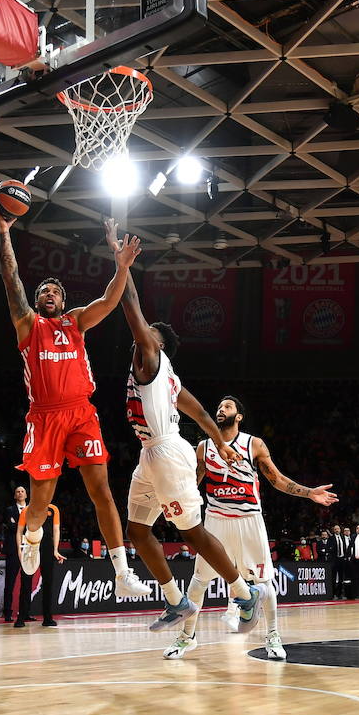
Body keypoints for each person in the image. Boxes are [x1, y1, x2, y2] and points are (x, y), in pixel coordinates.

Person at [0, 204, 151, 601]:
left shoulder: (76, 321)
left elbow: (109, 301)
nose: (49, 295)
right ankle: (32, 537)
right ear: (36, 301)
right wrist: (5, 231)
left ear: (63, 300)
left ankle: (122, 571)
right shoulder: (28, 325)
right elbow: (11, 279)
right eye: (43, 292)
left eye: (55, 292)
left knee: (102, 491)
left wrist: (121, 266)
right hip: (44, 419)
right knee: (40, 503)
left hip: (81, 414)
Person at [110, 245, 265, 633]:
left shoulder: (151, 358)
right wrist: (221, 444)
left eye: (149, 333)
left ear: (157, 344)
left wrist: (122, 265)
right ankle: (176, 601)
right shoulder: (169, 377)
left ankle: (245, 593)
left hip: (168, 453)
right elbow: (200, 413)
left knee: (192, 531)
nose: (142, 335)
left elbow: (131, 307)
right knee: (137, 530)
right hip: (151, 454)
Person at [164, 396, 336, 661]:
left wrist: (309, 492)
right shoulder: (204, 447)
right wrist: (170, 498)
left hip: (249, 519)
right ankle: (187, 637)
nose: (221, 410)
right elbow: (191, 484)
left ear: (239, 416)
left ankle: (273, 635)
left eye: (227, 407)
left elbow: (276, 479)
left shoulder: (253, 443)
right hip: (216, 520)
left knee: (264, 582)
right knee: (198, 583)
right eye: (219, 407)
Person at [15, 503, 64, 628]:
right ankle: (21, 618)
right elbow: (20, 531)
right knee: (25, 582)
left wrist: (56, 550)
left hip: (47, 547)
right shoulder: (27, 510)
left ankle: (47, 618)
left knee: (48, 583)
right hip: (30, 546)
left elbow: (56, 530)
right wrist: (20, 550)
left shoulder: (53, 509)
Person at [3, 485, 28, 622]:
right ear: (14, 495)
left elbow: (32, 527)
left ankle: (25, 612)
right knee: (10, 583)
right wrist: (22, 527)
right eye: (17, 491)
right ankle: (7, 613)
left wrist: (18, 525)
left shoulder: (31, 510)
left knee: (27, 583)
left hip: (28, 550)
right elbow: (11, 527)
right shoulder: (9, 510)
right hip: (13, 550)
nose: (20, 493)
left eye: (22, 491)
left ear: (26, 495)